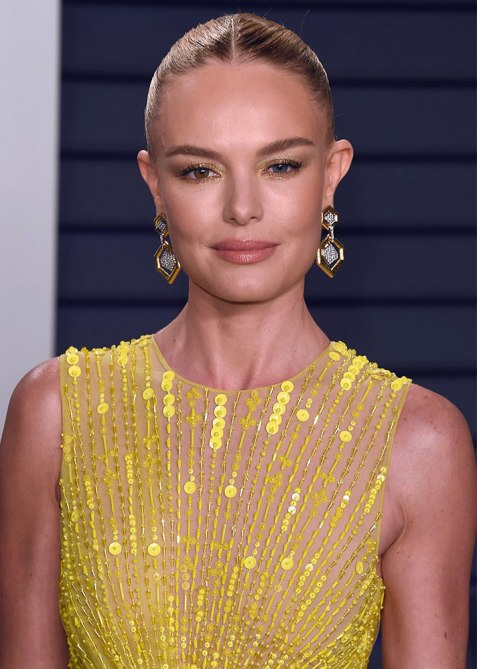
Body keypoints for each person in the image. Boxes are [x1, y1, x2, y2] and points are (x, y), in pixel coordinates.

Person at [0, 12, 475, 669]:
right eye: (200, 171)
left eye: (280, 165)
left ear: (331, 174)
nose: (242, 208)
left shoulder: (417, 442)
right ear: (155, 185)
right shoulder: (55, 413)